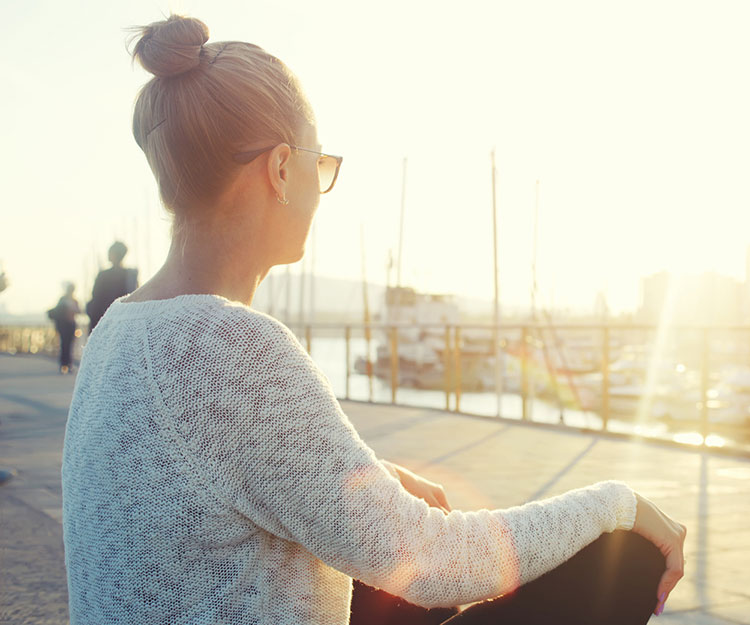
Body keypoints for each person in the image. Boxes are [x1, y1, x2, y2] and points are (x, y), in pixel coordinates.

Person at [61, 14, 685, 625]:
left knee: (392, 562)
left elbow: (197, 487)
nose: (319, 182)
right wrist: (618, 503)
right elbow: (439, 561)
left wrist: (373, 480)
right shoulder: (228, 345)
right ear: (281, 169)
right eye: (319, 162)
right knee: (622, 558)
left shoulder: (118, 328)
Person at [85, 241, 138, 331]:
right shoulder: (130, 275)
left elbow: (96, 300)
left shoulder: (103, 275)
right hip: (124, 322)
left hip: (106, 321)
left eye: (110, 252)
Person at [48, 282, 80, 374]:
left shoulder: (73, 300)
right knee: (65, 344)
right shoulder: (65, 299)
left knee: (69, 344)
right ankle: (64, 364)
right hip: (64, 325)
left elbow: (79, 311)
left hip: (71, 325)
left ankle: (67, 364)